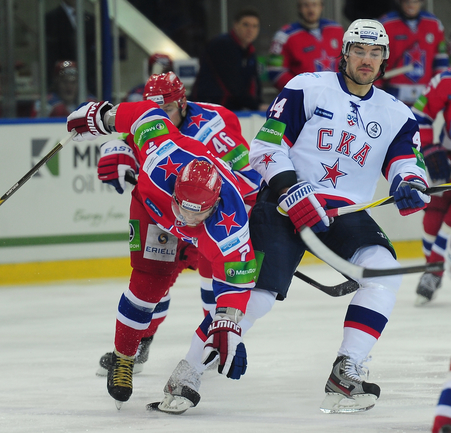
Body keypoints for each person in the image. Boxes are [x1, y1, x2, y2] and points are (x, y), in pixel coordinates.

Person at [151, 18, 431, 415]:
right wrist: (290, 188)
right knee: (257, 298)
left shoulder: (397, 113)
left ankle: (346, 369)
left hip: (343, 211)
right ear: (345, 53)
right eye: (359, 50)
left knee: (383, 270)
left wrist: (411, 183)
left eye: (374, 53)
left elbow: (407, 163)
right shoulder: (306, 87)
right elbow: (265, 148)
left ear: (384, 59)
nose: (366, 59)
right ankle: (187, 373)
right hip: (284, 203)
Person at [66, 97, 262, 409]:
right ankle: (123, 358)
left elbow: (236, 283)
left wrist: (227, 322)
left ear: (215, 204)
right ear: (174, 190)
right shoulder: (161, 155)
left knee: (212, 280)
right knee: (148, 283)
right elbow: (144, 113)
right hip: (152, 213)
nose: (187, 218)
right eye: (183, 207)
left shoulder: (230, 223)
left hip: (198, 229)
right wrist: (102, 118)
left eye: (197, 213)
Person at [410, 68, 451, 305]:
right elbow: (419, 114)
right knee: (433, 218)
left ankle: (434, 270)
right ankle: (432, 270)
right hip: (447, 159)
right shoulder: (445, 80)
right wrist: (427, 147)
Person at [189, 7, 267, 112]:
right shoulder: (222, 45)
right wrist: (256, 105)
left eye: (255, 26)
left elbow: (253, 82)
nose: (250, 30)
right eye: (246, 25)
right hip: (208, 110)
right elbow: (232, 84)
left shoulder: (249, 51)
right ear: (235, 25)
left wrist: (259, 103)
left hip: (230, 109)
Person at [379, 0, 449, 106]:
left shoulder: (434, 24)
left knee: (421, 117)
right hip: (393, 93)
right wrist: (377, 88)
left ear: (421, 2)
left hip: (424, 95)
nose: (411, 5)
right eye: (407, 2)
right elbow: (377, 59)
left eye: (415, 1)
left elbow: (441, 61)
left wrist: (440, 89)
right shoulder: (386, 24)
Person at [267, 0, 344, 92]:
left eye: (314, 4)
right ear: (299, 8)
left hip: (336, 93)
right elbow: (275, 71)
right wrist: (302, 90)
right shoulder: (283, 36)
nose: (311, 10)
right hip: (303, 96)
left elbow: (348, 62)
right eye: (306, 5)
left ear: (321, 7)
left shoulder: (336, 29)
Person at [45, 0, 97, 96]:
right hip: (63, 83)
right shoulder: (50, 18)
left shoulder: (90, 19)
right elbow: (50, 54)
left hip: (88, 83)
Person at [32, 60, 96, 118]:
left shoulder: (91, 104)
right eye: (65, 82)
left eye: (73, 82)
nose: (69, 86)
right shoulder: (44, 104)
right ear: (56, 84)